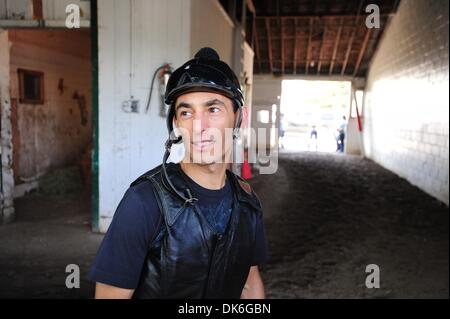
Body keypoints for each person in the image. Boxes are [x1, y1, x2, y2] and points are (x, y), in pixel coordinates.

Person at [89, 47, 268, 299]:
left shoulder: (247, 203)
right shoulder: (143, 202)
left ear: (240, 118)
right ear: (176, 124)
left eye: (213, 109)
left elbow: (249, 285)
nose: (199, 126)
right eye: (186, 112)